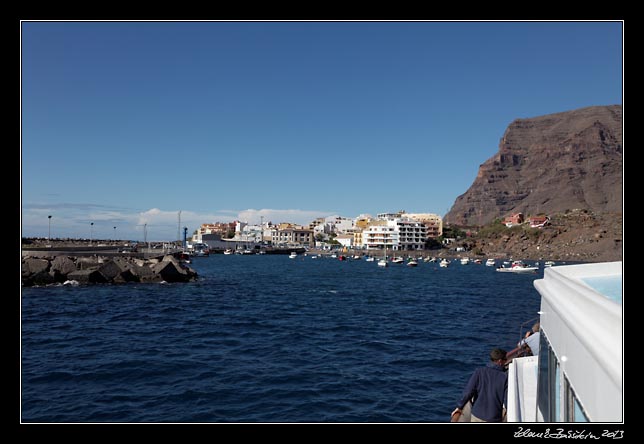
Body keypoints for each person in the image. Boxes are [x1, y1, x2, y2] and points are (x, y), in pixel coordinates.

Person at [452, 348, 508, 422]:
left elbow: (468, 391)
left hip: (477, 415)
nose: (506, 361)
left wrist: (459, 407)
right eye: (505, 359)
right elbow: (507, 399)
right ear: (500, 361)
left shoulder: (479, 372)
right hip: (494, 417)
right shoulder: (505, 377)